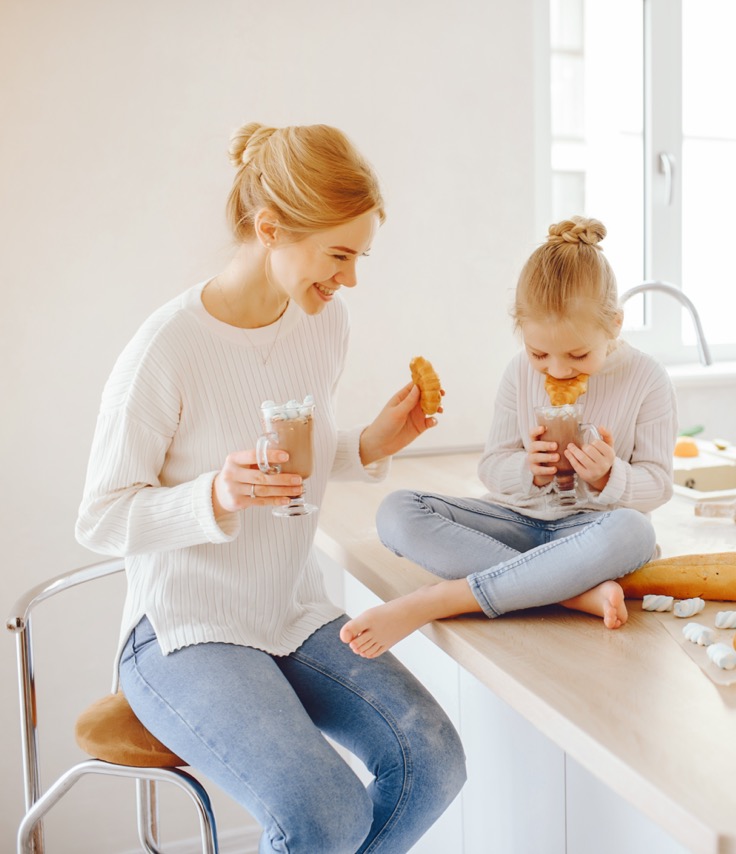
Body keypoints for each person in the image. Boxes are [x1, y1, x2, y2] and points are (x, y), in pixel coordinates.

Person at [76, 122, 466, 853]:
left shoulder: (324, 326)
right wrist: (213, 497)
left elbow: (288, 464)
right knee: (324, 812)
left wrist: (371, 444)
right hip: (182, 627)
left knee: (432, 761)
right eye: (339, 255)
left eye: (359, 256)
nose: (349, 278)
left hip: (289, 612)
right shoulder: (166, 349)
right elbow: (99, 518)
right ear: (270, 228)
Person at [340, 216, 676, 658]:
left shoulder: (647, 378)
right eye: (540, 354)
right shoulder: (518, 372)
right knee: (397, 512)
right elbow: (492, 466)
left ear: (614, 325)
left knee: (633, 532)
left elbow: (659, 483)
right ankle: (567, 592)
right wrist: (527, 472)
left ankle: (444, 598)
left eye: (578, 355)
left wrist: (608, 476)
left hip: (592, 530)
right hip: (516, 523)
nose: (557, 370)